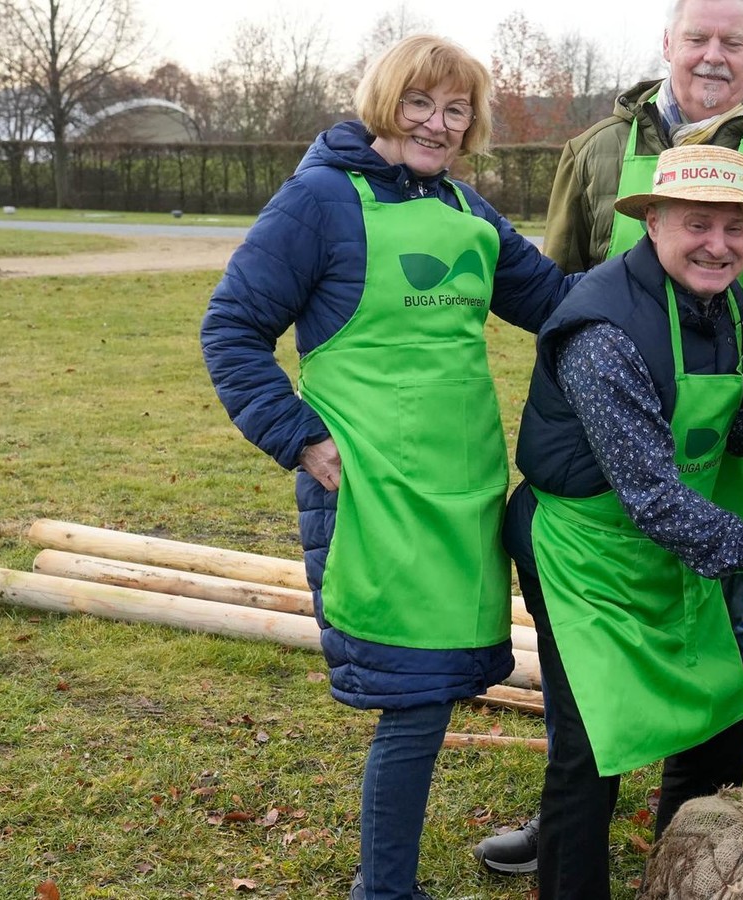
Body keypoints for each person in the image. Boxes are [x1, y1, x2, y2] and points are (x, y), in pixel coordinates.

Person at [475, 0, 743, 871]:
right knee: (590, 751)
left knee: (716, 720)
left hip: (668, 539)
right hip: (586, 550)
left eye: (734, 228)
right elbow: (652, 496)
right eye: (697, 224)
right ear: (651, 224)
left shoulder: (721, 302)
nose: (720, 245)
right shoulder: (605, 335)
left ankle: (683, 874)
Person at [200, 35, 572, 900]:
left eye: (455, 111)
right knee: (412, 706)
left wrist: (673, 269)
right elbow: (231, 327)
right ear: (383, 102)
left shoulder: (468, 212)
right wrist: (298, 435)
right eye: (420, 104)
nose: (438, 125)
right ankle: (385, 891)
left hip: (462, 495)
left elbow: (557, 300)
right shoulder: (319, 201)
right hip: (373, 497)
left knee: (433, 692)